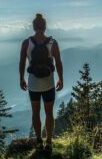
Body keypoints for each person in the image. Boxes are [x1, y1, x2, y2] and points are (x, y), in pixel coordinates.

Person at [19, 13, 64, 152]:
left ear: (33, 27)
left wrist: (21, 78)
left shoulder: (27, 43)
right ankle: (49, 142)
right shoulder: (53, 43)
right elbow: (58, 63)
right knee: (49, 113)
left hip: (33, 84)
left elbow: (21, 62)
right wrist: (61, 79)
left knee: (35, 113)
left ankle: (39, 141)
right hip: (48, 83)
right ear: (45, 27)